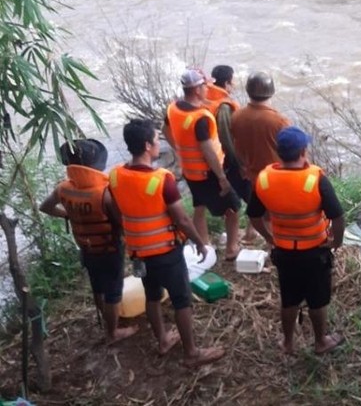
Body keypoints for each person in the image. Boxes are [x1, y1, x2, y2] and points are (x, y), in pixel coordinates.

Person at [109, 118, 225, 367]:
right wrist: (199, 243)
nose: (157, 142)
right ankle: (191, 353)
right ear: (147, 145)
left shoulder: (116, 175)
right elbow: (182, 219)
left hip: (138, 252)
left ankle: (162, 339)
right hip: (165, 252)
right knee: (182, 299)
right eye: (155, 139)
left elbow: (115, 207)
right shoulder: (162, 179)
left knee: (152, 295)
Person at [247, 126, 345, 355]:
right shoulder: (316, 179)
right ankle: (321, 341)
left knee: (289, 298)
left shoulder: (264, 179)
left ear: (278, 152)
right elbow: (338, 217)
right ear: (303, 151)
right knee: (317, 299)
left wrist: (269, 237)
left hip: (284, 252)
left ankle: (288, 342)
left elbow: (253, 215)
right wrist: (336, 242)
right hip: (315, 251)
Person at [39, 139, 138, 345]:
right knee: (113, 292)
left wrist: (67, 215)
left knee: (98, 288)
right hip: (109, 249)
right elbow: (121, 223)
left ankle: (106, 322)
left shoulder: (64, 189)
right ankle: (112, 333)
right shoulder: (104, 193)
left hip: (86, 248)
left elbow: (45, 207)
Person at [163, 69, 241, 260]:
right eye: (205, 85)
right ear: (197, 89)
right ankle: (231, 248)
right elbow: (208, 151)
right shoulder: (201, 118)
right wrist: (222, 178)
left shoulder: (173, 108)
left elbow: (165, 129)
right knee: (233, 208)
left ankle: (205, 245)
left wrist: (179, 150)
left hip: (190, 173)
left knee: (199, 206)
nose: (208, 88)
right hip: (209, 173)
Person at [207, 65, 258, 243]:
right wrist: (240, 163)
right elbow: (227, 138)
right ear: (227, 82)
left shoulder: (206, 100)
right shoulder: (224, 108)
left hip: (213, 160)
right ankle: (250, 232)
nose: (234, 84)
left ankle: (238, 235)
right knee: (250, 194)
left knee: (233, 199)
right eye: (232, 80)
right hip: (229, 161)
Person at [230, 71, 291, 185]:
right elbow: (293, 154)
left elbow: (238, 149)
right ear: (271, 91)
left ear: (248, 91)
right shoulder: (279, 121)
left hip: (253, 179)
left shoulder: (236, 116)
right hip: (276, 179)